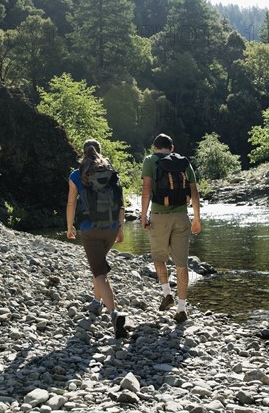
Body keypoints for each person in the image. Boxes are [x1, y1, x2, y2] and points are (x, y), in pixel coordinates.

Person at [66, 139, 127, 338]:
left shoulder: (76, 175)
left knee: (99, 271)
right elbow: (120, 202)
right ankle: (96, 301)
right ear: (100, 152)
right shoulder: (111, 173)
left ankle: (114, 313)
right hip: (110, 226)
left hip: (89, 228)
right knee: (97, 263)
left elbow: (71, 203)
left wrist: (69, 226)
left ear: (83, 154)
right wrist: (120, 228)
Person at [141, 133, 201, 323]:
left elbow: (146, 190)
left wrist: (143, 216)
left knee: (159, 258)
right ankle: (182, 308)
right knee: (182, 264)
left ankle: (167, 293)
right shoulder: (183, 162)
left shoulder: (150, 160)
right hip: (182, 217)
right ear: (172, 148)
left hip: (159, 217)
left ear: (154, 147)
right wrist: (197, 218)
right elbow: (194, 191)